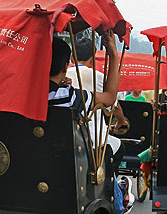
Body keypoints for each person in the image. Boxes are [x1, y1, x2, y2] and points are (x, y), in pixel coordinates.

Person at [50, 33, 124, 165]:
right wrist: (113, 55)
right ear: (65, 65)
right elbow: (111, 99)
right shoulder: (68, 95)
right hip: (80, 149)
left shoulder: (24, 91)